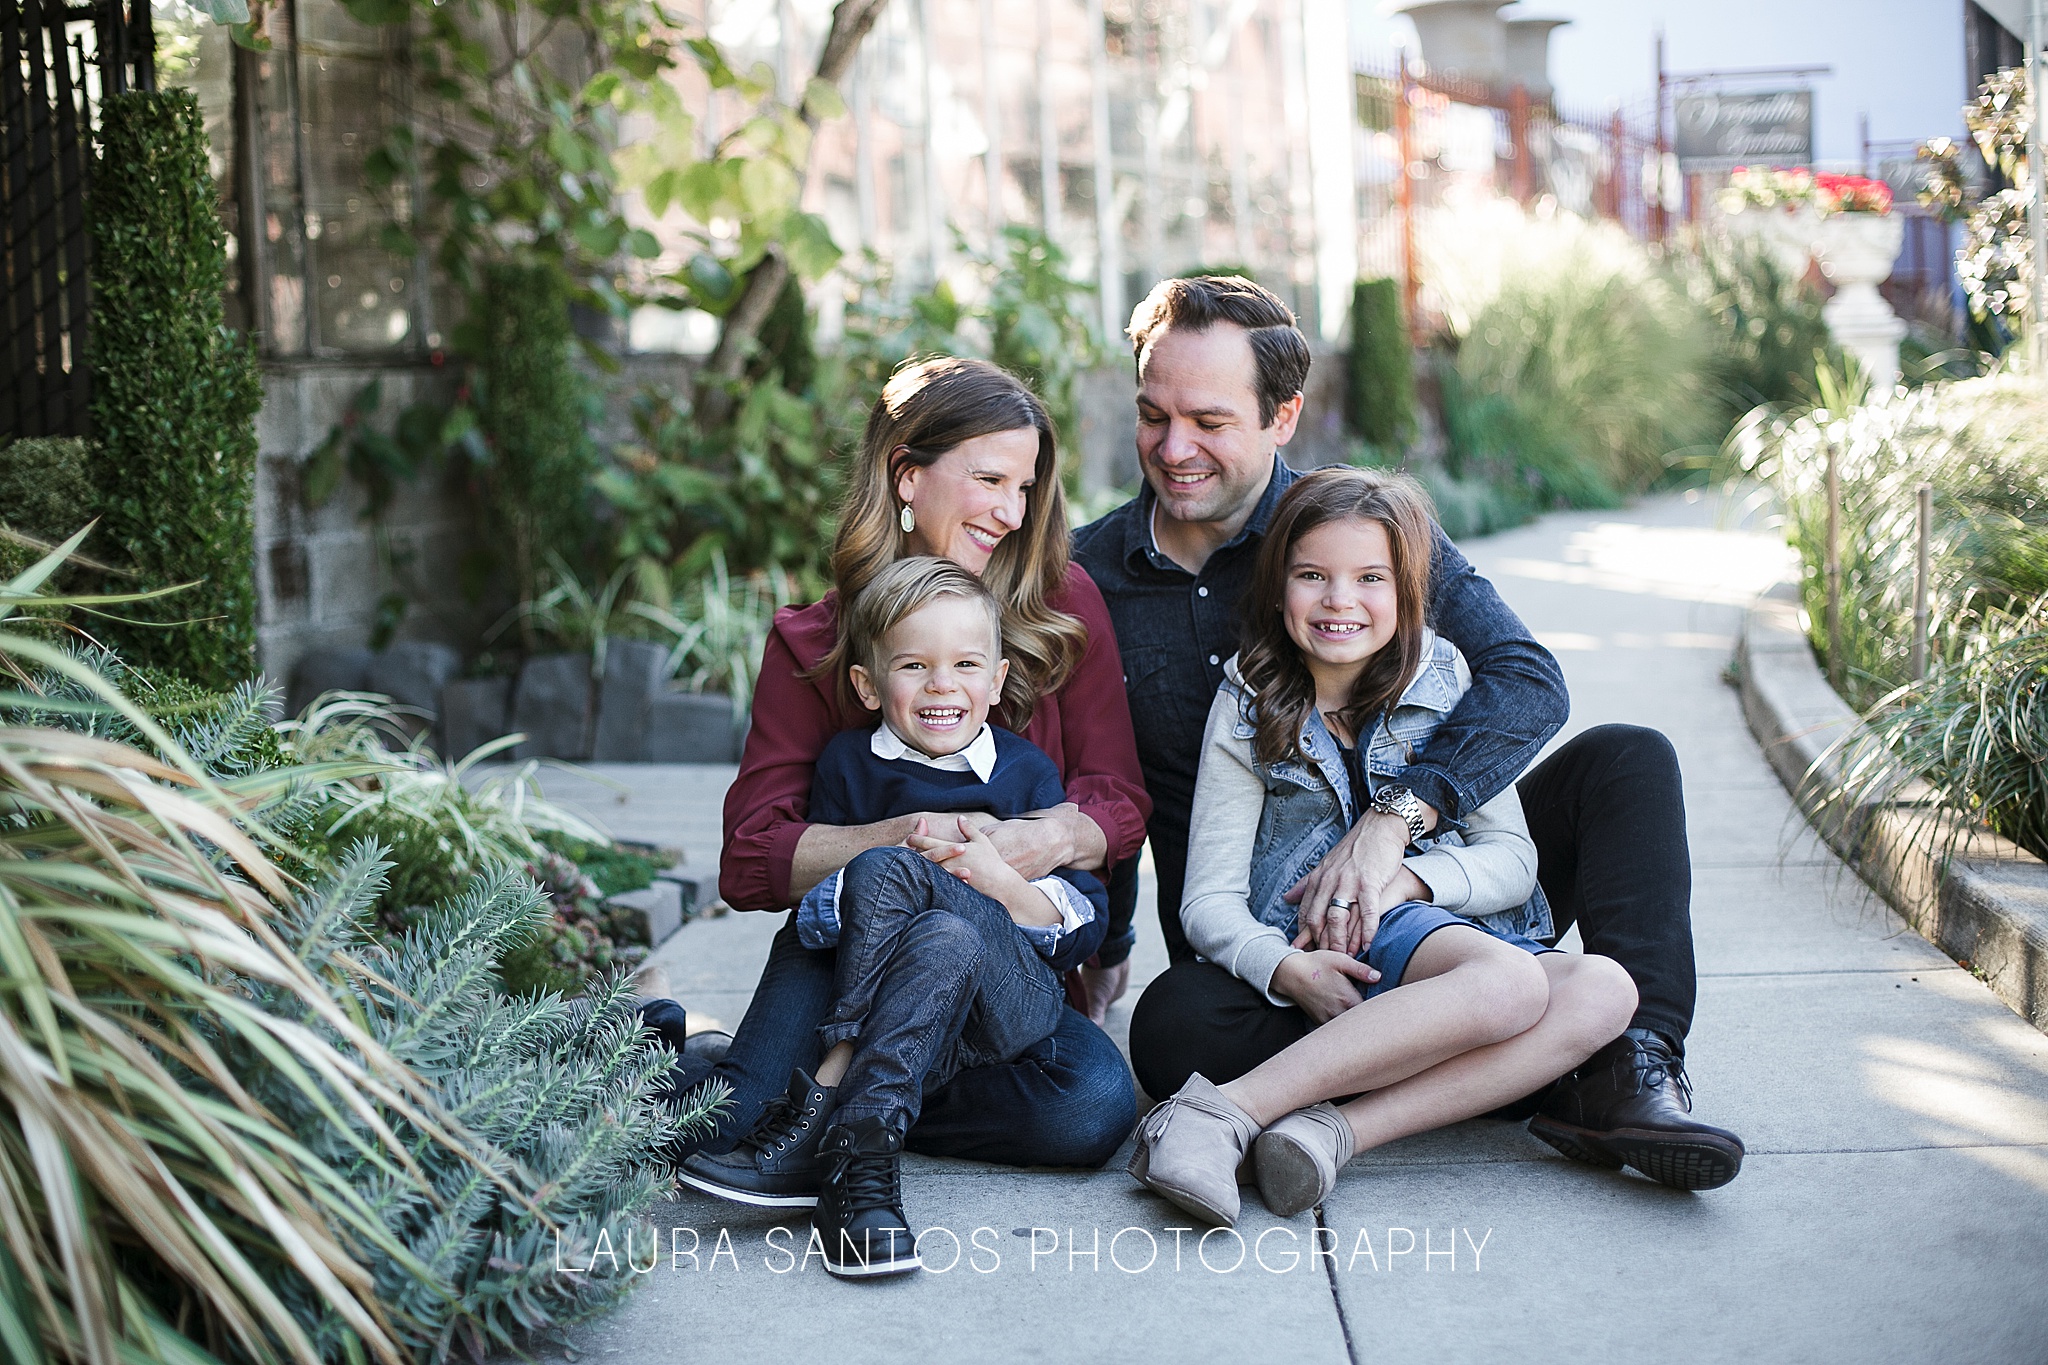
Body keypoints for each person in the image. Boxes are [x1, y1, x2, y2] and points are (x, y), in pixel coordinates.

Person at [1072, 275, 1745, 1190]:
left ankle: (1627, 1066)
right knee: (1169, 1026)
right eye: (1153, 415)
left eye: (1209, 420)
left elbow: (1525, 679)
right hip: (1268, 949)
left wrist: (1395, 826)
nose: (1173, 447)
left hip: (1445, 900)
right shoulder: (1086, 578)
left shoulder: (1365, 530)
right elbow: (1094, 773)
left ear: (1283, 415)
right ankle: (1523, 1060)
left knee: (1629, 759)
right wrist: (1100, 946)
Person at [657, 357, 1150, 1274]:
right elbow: (752, 858)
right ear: (907, 475)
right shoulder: (814, 642)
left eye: (1026, 486)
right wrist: (908, 842)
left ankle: (809, 1110)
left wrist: (1034, 841)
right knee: (717, 1123)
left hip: (992, 951)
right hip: (848, 952)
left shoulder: (1061, 610)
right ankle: (815, 1115)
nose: (1012, 510)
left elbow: (1117, 800)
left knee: (1087, 1108)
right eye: (990, 479)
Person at [1127, 466, 1637, 1226]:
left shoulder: (1448, 683)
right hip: (1323, 941)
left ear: (1408, 595)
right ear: (1276, 587)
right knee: (1515, 988)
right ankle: (1227, 1114)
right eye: (1312, 576)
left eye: (1370, 577)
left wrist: (1410, 881)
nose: (1340, 600)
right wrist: (1286, 966)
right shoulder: (1245, 704)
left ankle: (1324, 1130)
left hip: (1438, 927)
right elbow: (1206, 898)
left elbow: (1513, 859)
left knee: (1609, 990)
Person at [675, 558, 1107, 1252]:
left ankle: (827, 1087)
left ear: (996, 681)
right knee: (930, 926)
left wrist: (996, 878)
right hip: (895, 994)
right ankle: (861, 1136)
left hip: (997, 1005)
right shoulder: (848, 765)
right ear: (868, 685)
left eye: (967, 663)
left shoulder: (1027, 771)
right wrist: (898, 871)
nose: (942, 684)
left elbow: (1082, 924)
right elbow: (818, 918)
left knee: (1080, 1093)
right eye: (914, 666)